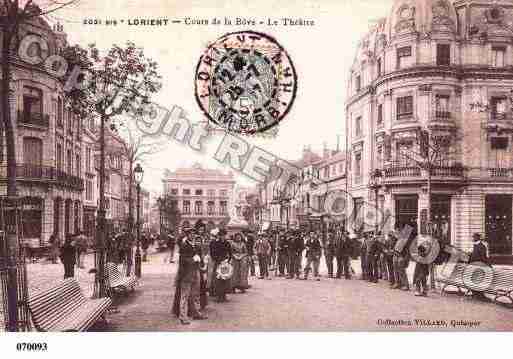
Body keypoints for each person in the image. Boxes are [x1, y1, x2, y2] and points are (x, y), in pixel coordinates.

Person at [172, 229, 207, 325]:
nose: (192, 235)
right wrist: (193, 259)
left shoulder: (196, 245)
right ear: (187, 235)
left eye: (193, 234)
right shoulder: (184, 246)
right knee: (185, 295)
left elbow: (200, 258)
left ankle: (196, 313)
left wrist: (201, 262)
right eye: (190, 234)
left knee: (196, 294)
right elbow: (182, 260)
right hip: (186, 273)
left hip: (196, 272)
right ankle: (183, 316)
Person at [209, 228, 232, 302]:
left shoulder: (227, 243)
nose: (222, 237)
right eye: (221, 235)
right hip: (218, 262)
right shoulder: (214, 243)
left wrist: (227, 260)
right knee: (218, 279)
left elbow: (230, 253)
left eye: (224, 235)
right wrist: (217, 260)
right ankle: (218, 295)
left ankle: (224, 295)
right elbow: (212, 253)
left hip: (225, 262)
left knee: (225, 278)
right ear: (218, 235)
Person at [469, 233, 490, 301]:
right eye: (473, 237)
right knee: (474, 280)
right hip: (475, 266)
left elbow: (483, 257)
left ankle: (479, 294)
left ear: (477, 238)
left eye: (474, 237)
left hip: (479, 266)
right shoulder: (475, 245)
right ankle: (476, 294)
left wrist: (487, 265)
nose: (473, 238)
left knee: (477, 281)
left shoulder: (481, 246)